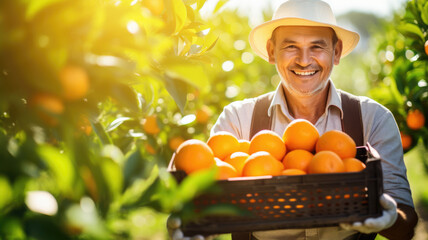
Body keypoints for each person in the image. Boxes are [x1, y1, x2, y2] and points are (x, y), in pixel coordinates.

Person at [168, 0, 418, 239]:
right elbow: (209, 199)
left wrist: (388, 219)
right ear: (271, 52)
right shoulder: (238, 121)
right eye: (291, 46)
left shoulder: (373, 119)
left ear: (337, 52)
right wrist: (192, 224)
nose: (304, 59)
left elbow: (406, 225)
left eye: (317, 46)